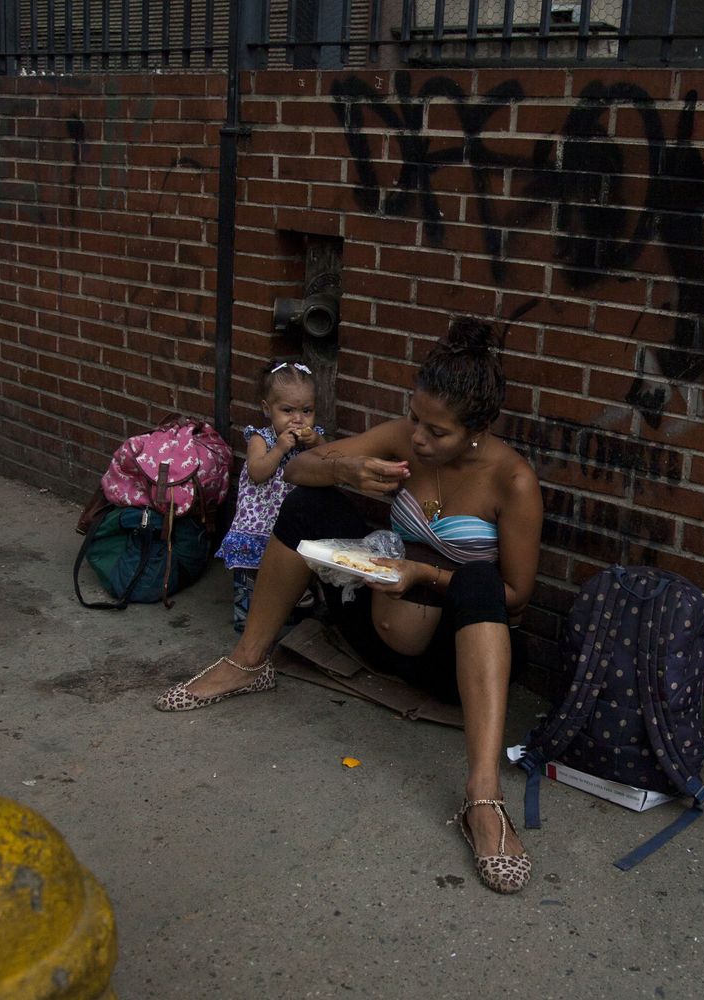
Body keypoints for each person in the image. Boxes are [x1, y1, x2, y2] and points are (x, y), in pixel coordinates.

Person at [155, 317, 543, 895]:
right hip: (374, 623)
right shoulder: (399, 436)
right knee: (310, 505)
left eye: (436, 432)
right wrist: (346, 469)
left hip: (447, 664)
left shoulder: (512, 480)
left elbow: (518, 596)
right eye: (415, 419)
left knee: (481, 582)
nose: (418, 439)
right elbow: (300, 469)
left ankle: (482, 797)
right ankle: (248, 661)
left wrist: (424, 573)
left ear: (477, 429)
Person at [215, 360, 325, 631]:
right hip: (259, 523)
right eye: (287, 410)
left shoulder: (314, 438)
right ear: (267, 409)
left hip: (292, 521)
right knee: (252, 573)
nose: (298, 419)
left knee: (289, 572)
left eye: (307, 411)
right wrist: (278, 449)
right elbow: (257, 472)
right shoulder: (260, 438)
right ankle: (247, 619)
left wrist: (319, 444)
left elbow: (329, 461)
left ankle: (287, 616)